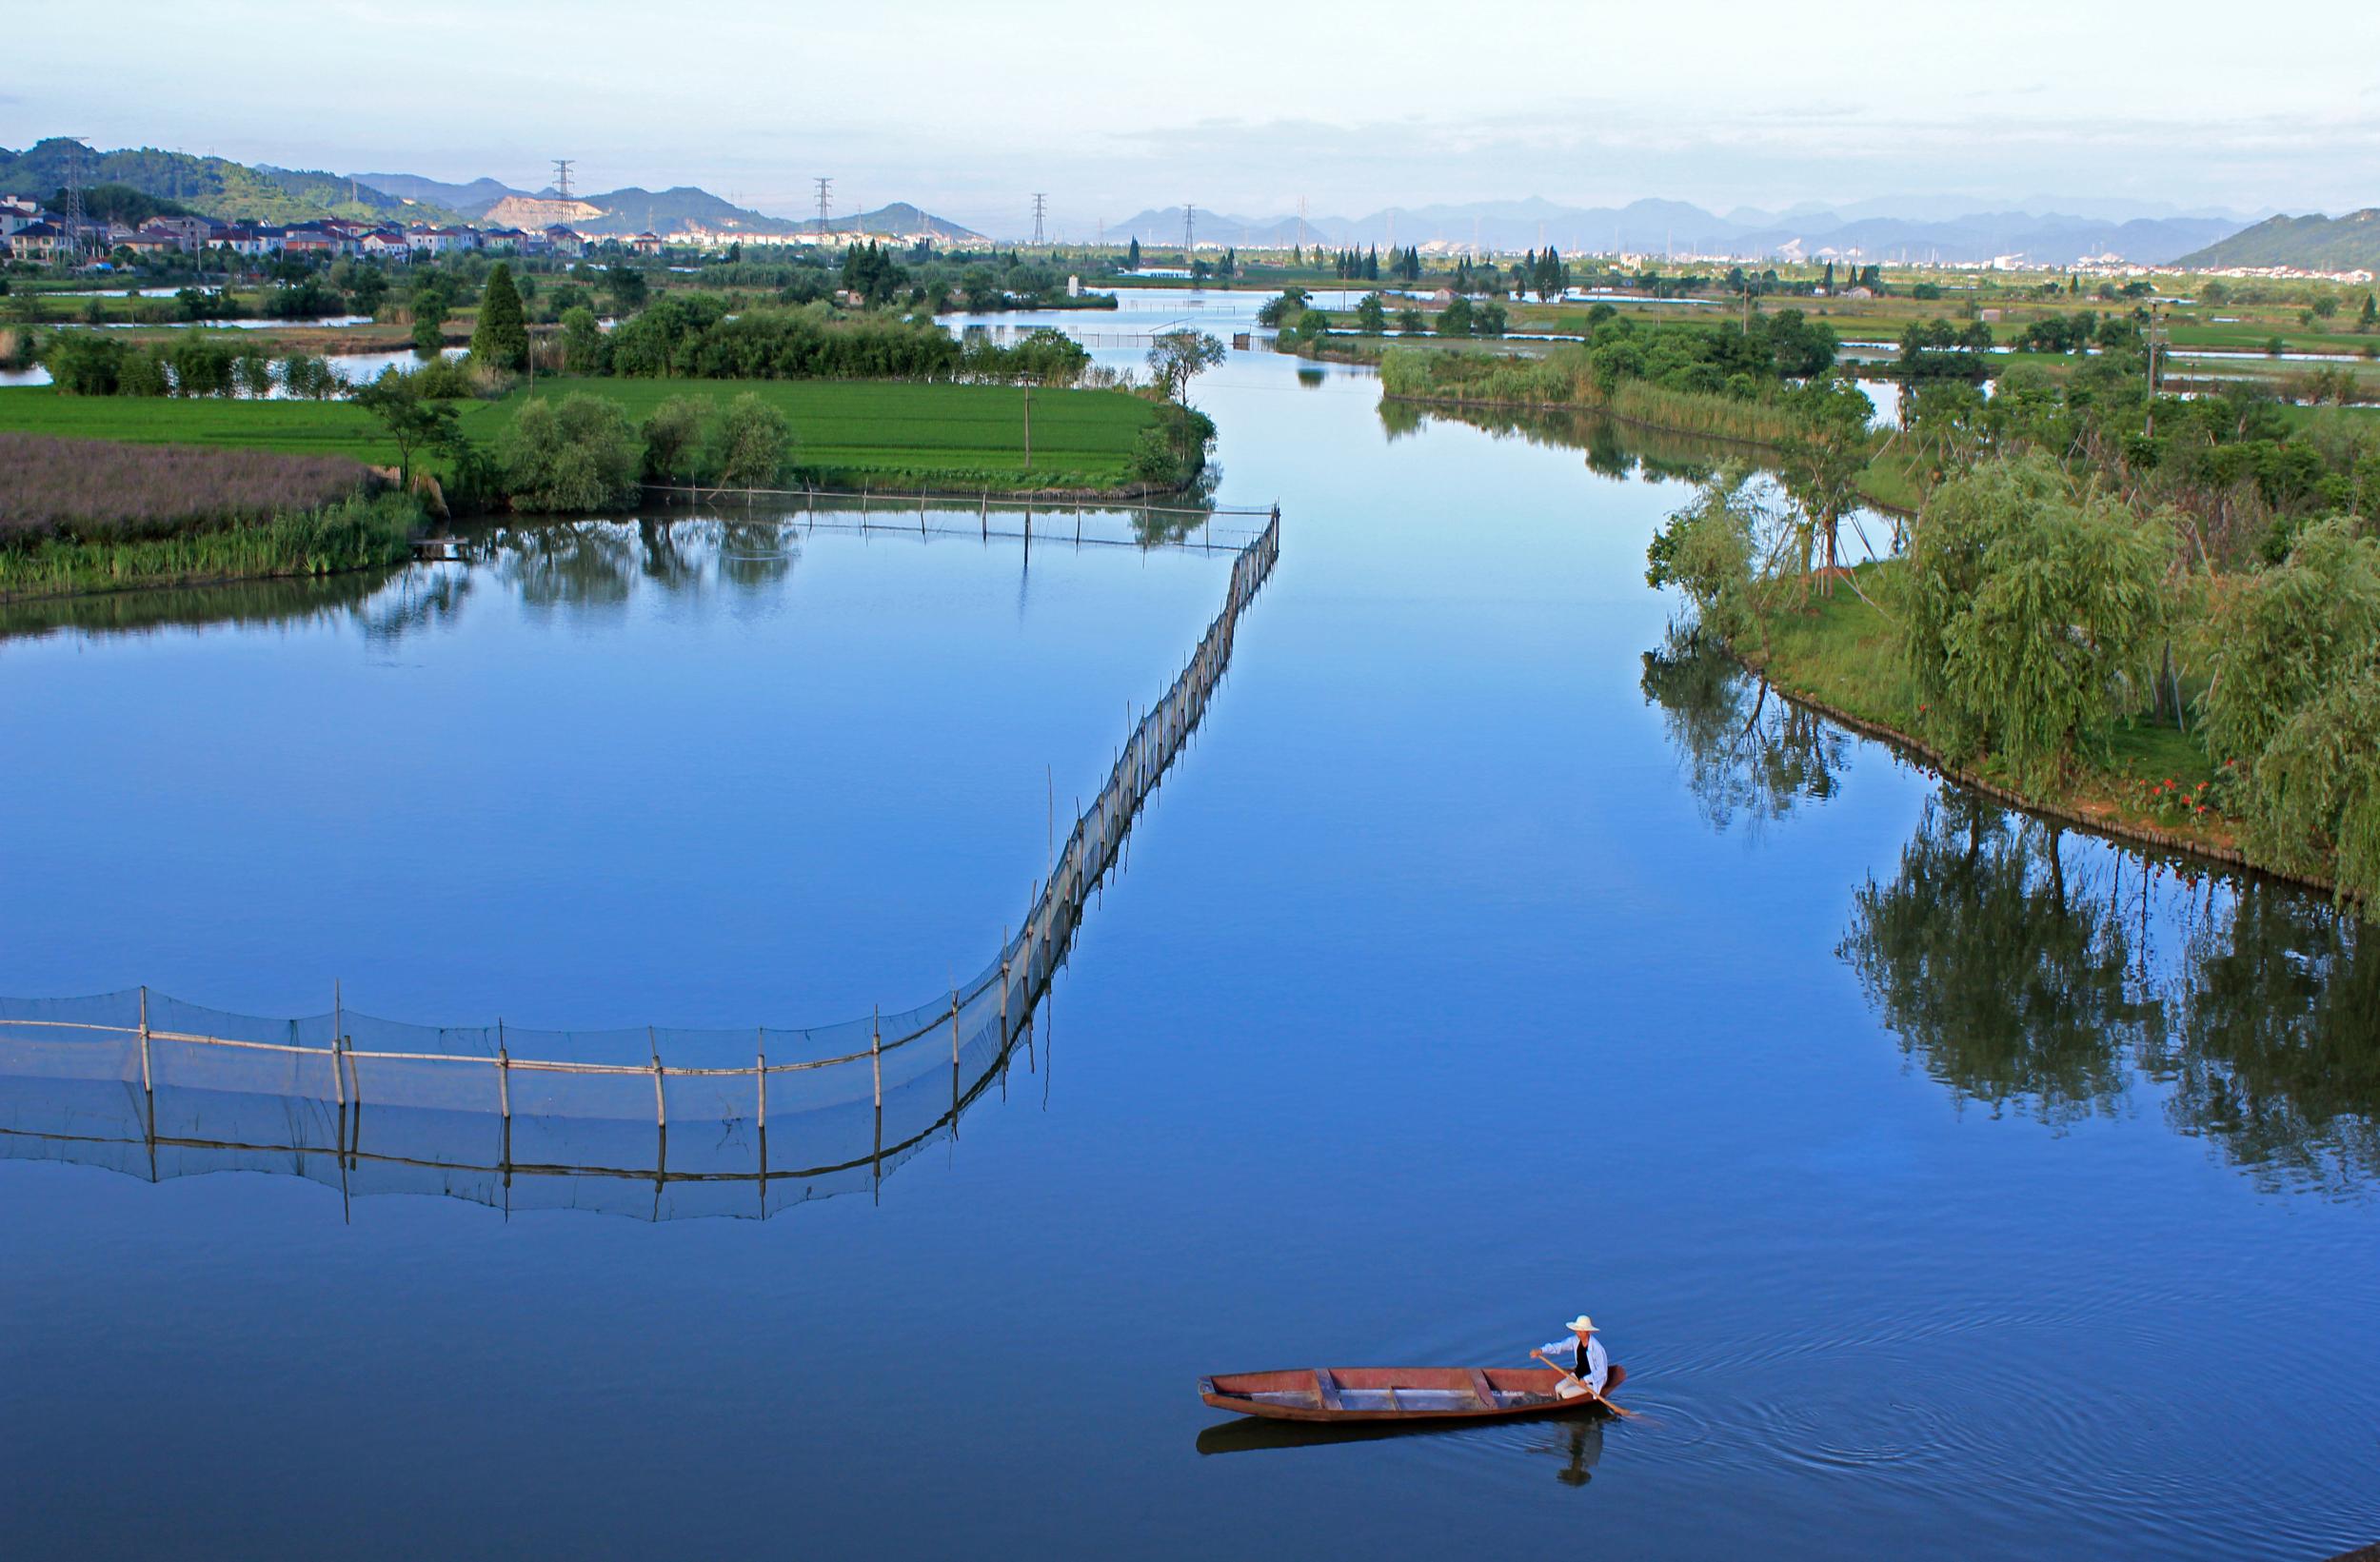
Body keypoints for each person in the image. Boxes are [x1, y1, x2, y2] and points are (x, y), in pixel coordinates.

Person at [1531, 1315, 1609, 1401]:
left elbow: (1602, 1371)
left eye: (1581, 1331)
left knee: (1565, 1394)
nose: (1578, 1333)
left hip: (1592, 1382)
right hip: (1577, 1376)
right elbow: (1560, 1346)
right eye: (1577, 1330)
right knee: (1558, 1388)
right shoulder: (1575, 1340)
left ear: (1588, 1332)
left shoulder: (1597, 1349)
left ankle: (1565, 1403)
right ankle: (1558, 1404)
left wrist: (1586, 1380)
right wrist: (1541, 1350)